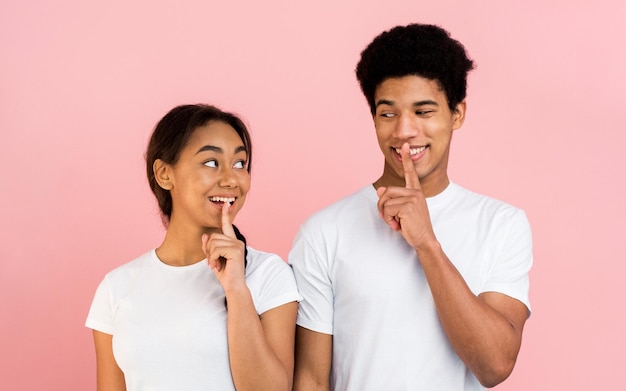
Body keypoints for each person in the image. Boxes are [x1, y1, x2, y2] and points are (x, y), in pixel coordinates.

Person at [289, 23, 532, 390]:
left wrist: (427, 243)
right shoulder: (324, 231)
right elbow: (310, 379)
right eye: (388, 113)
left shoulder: (501, 224)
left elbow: (494, 365)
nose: (404, 131)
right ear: (373, 118)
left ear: (457, 114)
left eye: (423, 111)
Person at [86, 104, 301, 391]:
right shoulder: (117, 287)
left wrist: (236, 289)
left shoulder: (268, 274)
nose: (230, 179)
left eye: (240, 164)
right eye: (211, 162)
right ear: (164, 174)